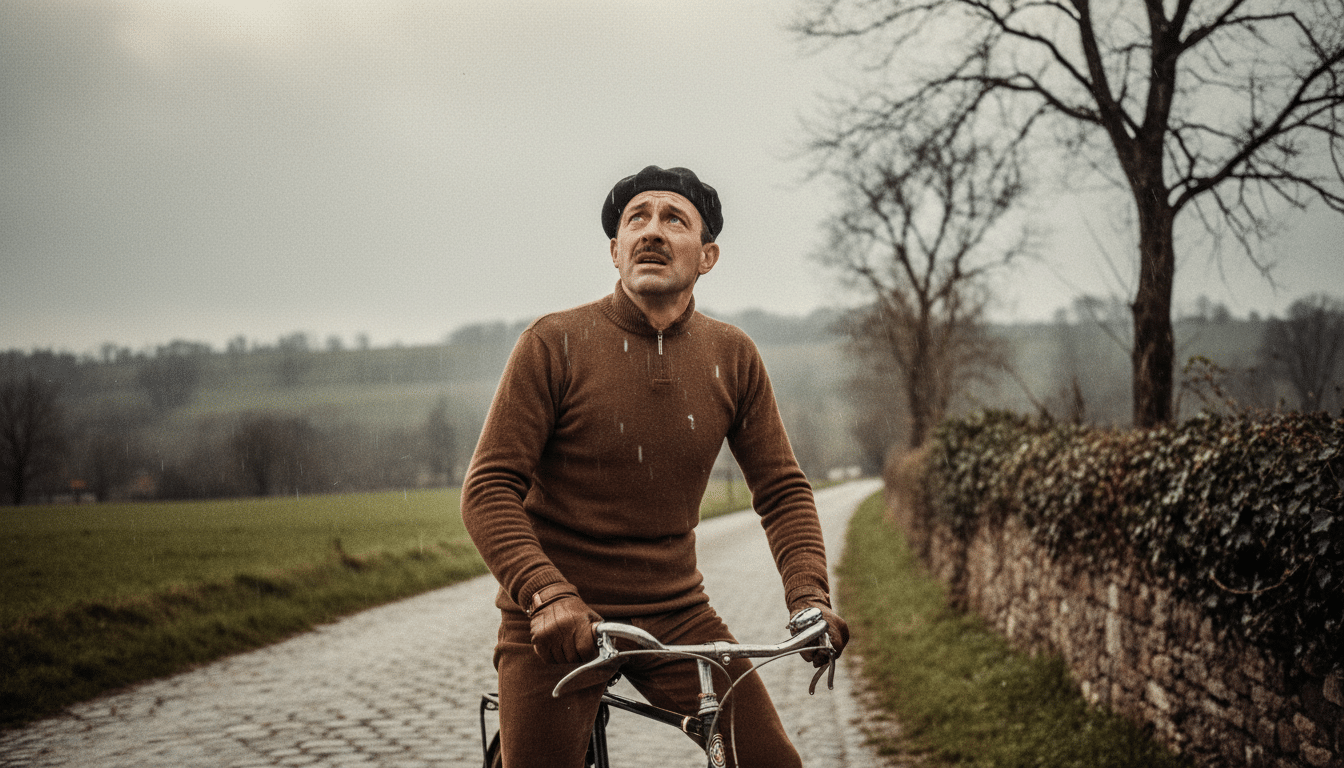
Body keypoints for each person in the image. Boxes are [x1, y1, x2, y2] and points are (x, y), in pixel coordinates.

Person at [461, 165, 849, 768]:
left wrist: (808, 597)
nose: (652, 231)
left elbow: (782, 490)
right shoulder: (552, 342)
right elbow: (489, 487)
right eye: (636, 219)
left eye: (674, 219)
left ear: (707, 256)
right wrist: (544, 593)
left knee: (771, 764)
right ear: (615, 251)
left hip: (676, 611)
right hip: (556, 618)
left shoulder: (733, 355)